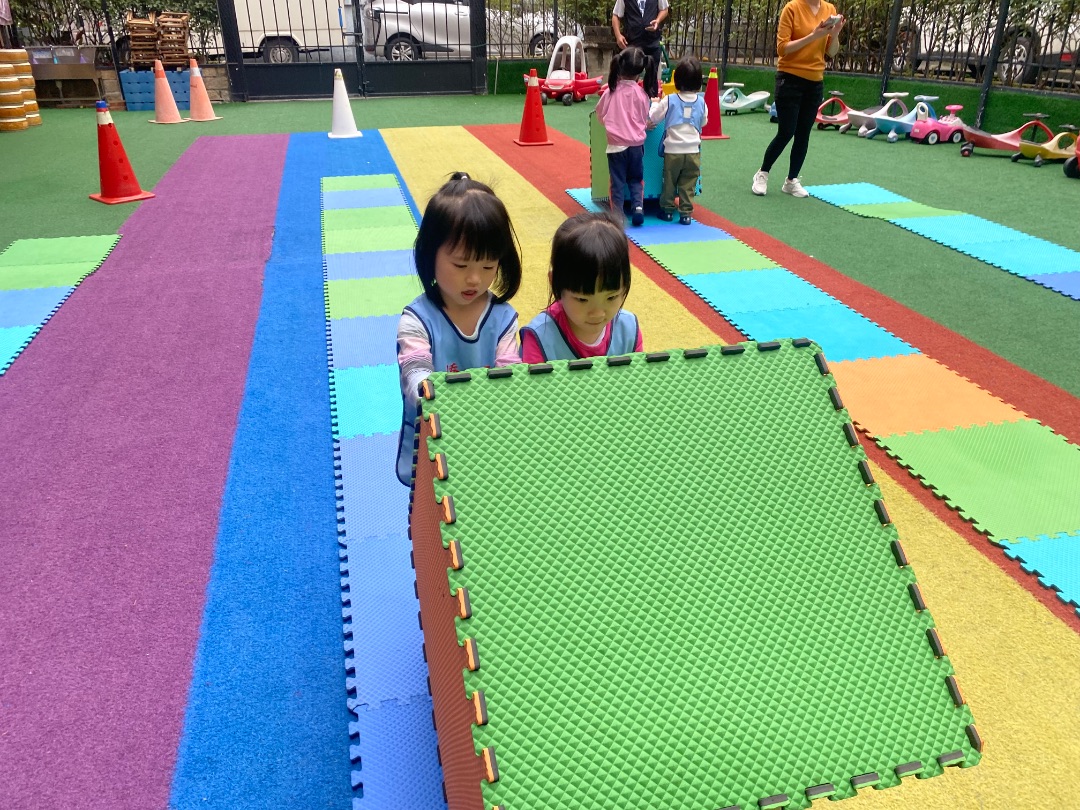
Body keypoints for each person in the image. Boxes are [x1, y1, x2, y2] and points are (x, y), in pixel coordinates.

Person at [395, 172, 522, 485]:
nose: (475, 279)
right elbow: (415, 375)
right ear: (431, 254)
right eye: (461, 265)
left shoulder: (503, 319)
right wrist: (434, 396)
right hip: (434, 444)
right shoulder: (416, 320)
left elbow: (510, 373)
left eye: (488, 265)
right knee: (433, 510)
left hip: (488, 444)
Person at [520, 211, 642, 363]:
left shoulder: (628, 330)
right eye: (582, 299)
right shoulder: (540, 338)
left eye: (611, 297)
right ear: (555, 283)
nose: (597, 313)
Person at [751, 1, 844, 198]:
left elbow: (831, 52)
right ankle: (762, 173)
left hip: (815, 81)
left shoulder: (829, 9)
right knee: (786, 131)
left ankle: (791, 180)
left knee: (803, 133)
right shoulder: (792, 8)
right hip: (790, 79)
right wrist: (813, 36)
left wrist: (834, 34)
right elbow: (782, 48)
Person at [596, 47, 651, 227]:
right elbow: (644, 117)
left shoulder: (610, 92)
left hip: (616, 146)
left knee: (617, 182)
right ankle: (638, 208)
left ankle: (618, 215)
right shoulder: (642, 94)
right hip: (636, 146)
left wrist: (608, 123)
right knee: (636, 179)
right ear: (640, 73)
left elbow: (599, 113)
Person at [649, 56, 707, 225]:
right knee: (688, 182)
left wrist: (654, 104)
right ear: (699, 82)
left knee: (669, 181)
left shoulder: (670, 100)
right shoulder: (701, 102)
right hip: (693, 151)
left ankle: (667, 210)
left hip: (673, 151)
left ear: (677, 80)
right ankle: (686, 214)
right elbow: (704, 122)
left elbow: (654, 117)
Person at [611, 0, 669, 98]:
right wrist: (618, 35)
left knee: (652, 74)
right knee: (628, 75)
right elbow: (616, 15)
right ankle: (626, 99)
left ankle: (651, 101)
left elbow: (664, 9)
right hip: (632, 42)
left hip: (652, 41)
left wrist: (658, 20)